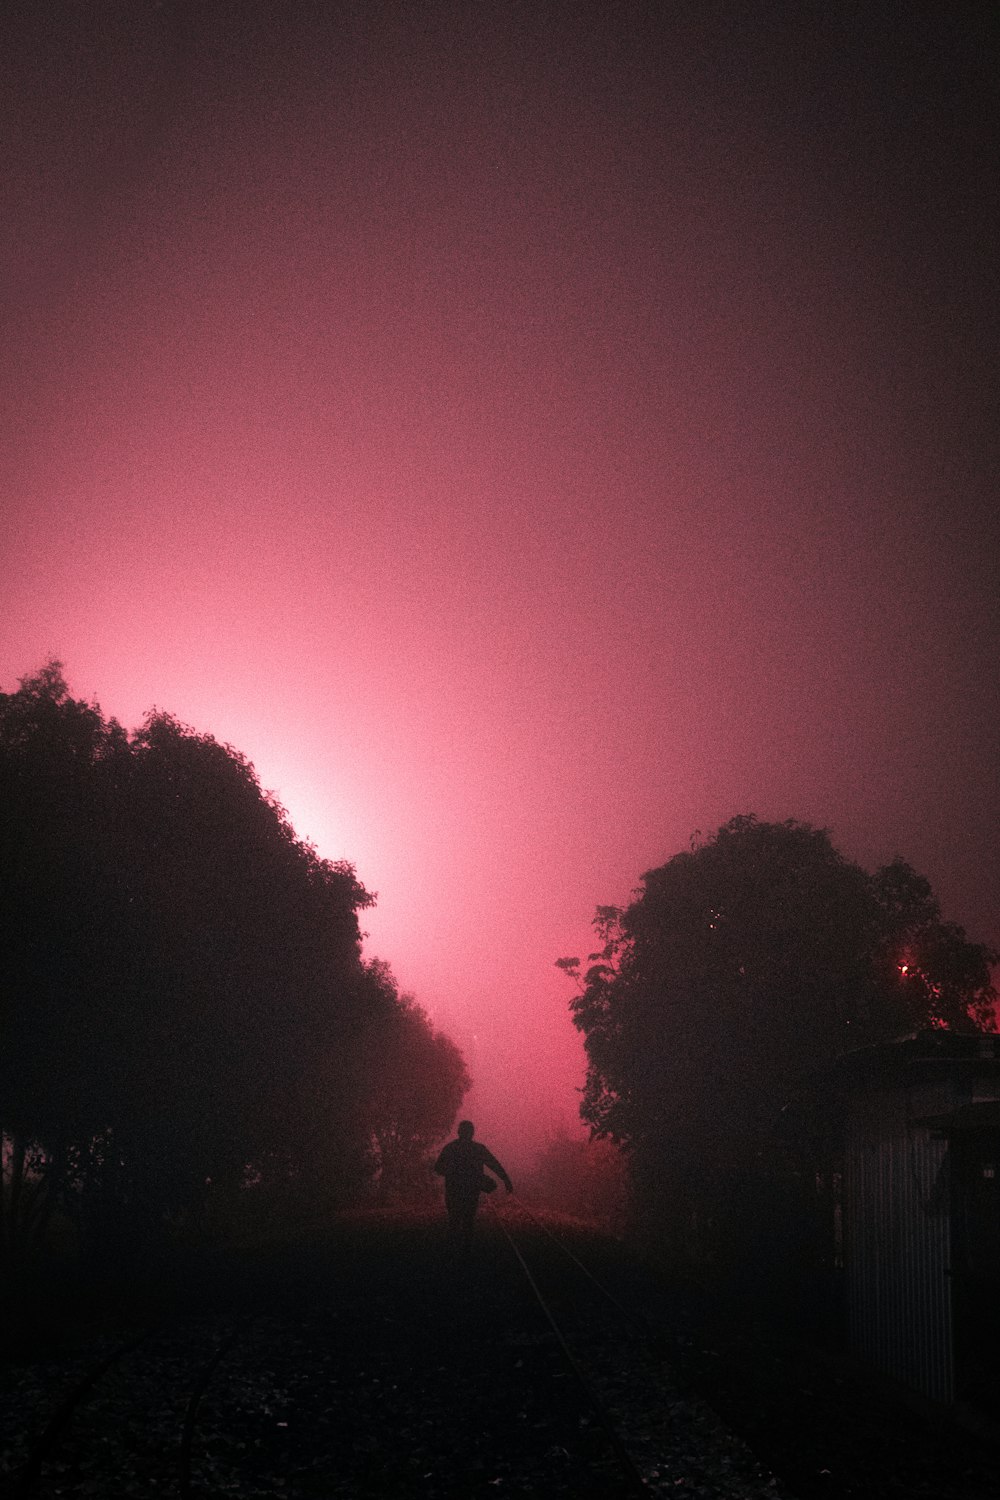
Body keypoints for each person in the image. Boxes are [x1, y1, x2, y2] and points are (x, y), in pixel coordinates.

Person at [434, 1120, 512, 1250]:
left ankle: (450, 1253)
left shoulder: (450, 1148)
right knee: (468, 1221)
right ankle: (466, 1252)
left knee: (454, 1221)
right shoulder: (478, 1149)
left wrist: (454, 1173)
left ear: (459, 1132)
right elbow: (494, 1164)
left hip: (453, 1191)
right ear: (472, 1133)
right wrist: (505, 1180)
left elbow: (438, 1168)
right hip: (471, 1191)